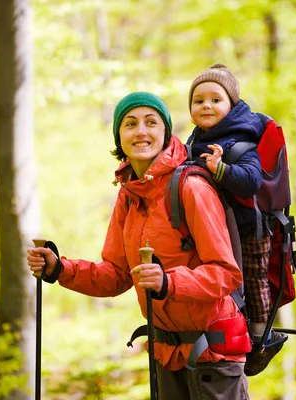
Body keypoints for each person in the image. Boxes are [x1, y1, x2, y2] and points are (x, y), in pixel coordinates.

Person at [27, 92, 250, 399]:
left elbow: (226, 274)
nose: (141, 131)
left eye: (151, 122)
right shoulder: (130, 195)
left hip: (214, 354)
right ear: (119, 136)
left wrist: (168, 282)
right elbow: (118, 274)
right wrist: (60, 269)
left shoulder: (191, 187)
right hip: (167, 354)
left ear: (165, 132)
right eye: (130, 123)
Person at [186, 63, 288, 373]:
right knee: (224, 283)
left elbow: (251, 180)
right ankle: (233, 328)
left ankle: (261, 337)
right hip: (216, 228)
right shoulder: (196, 140)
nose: (206, 105)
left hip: (249, 227)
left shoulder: (242, 140)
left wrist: (222, 170)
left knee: (252, 279)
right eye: (198, 100)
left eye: (216, 99)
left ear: (231, 105)